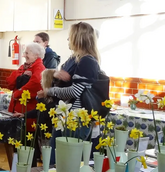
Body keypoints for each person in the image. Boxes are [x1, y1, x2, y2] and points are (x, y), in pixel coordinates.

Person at [37, 22, 101, 164]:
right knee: (56, 160)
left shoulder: (87, 61)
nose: (68, 40)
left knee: (65, 163)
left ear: (78, 38)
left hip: (76, 118)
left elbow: (75, 91)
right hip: (68, 116)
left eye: (69, 37)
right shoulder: (77, 59)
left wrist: (49, 91)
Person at [7, 43, 45, 125]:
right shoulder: (23, 67)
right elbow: (10, 83)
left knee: (24, 135)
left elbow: (35, 85)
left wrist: (17, 93)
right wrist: (21, 76)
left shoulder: (39, 68)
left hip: (27, 113)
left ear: (36, 55)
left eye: (27, 53)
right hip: (15, 110)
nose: (24, 55)